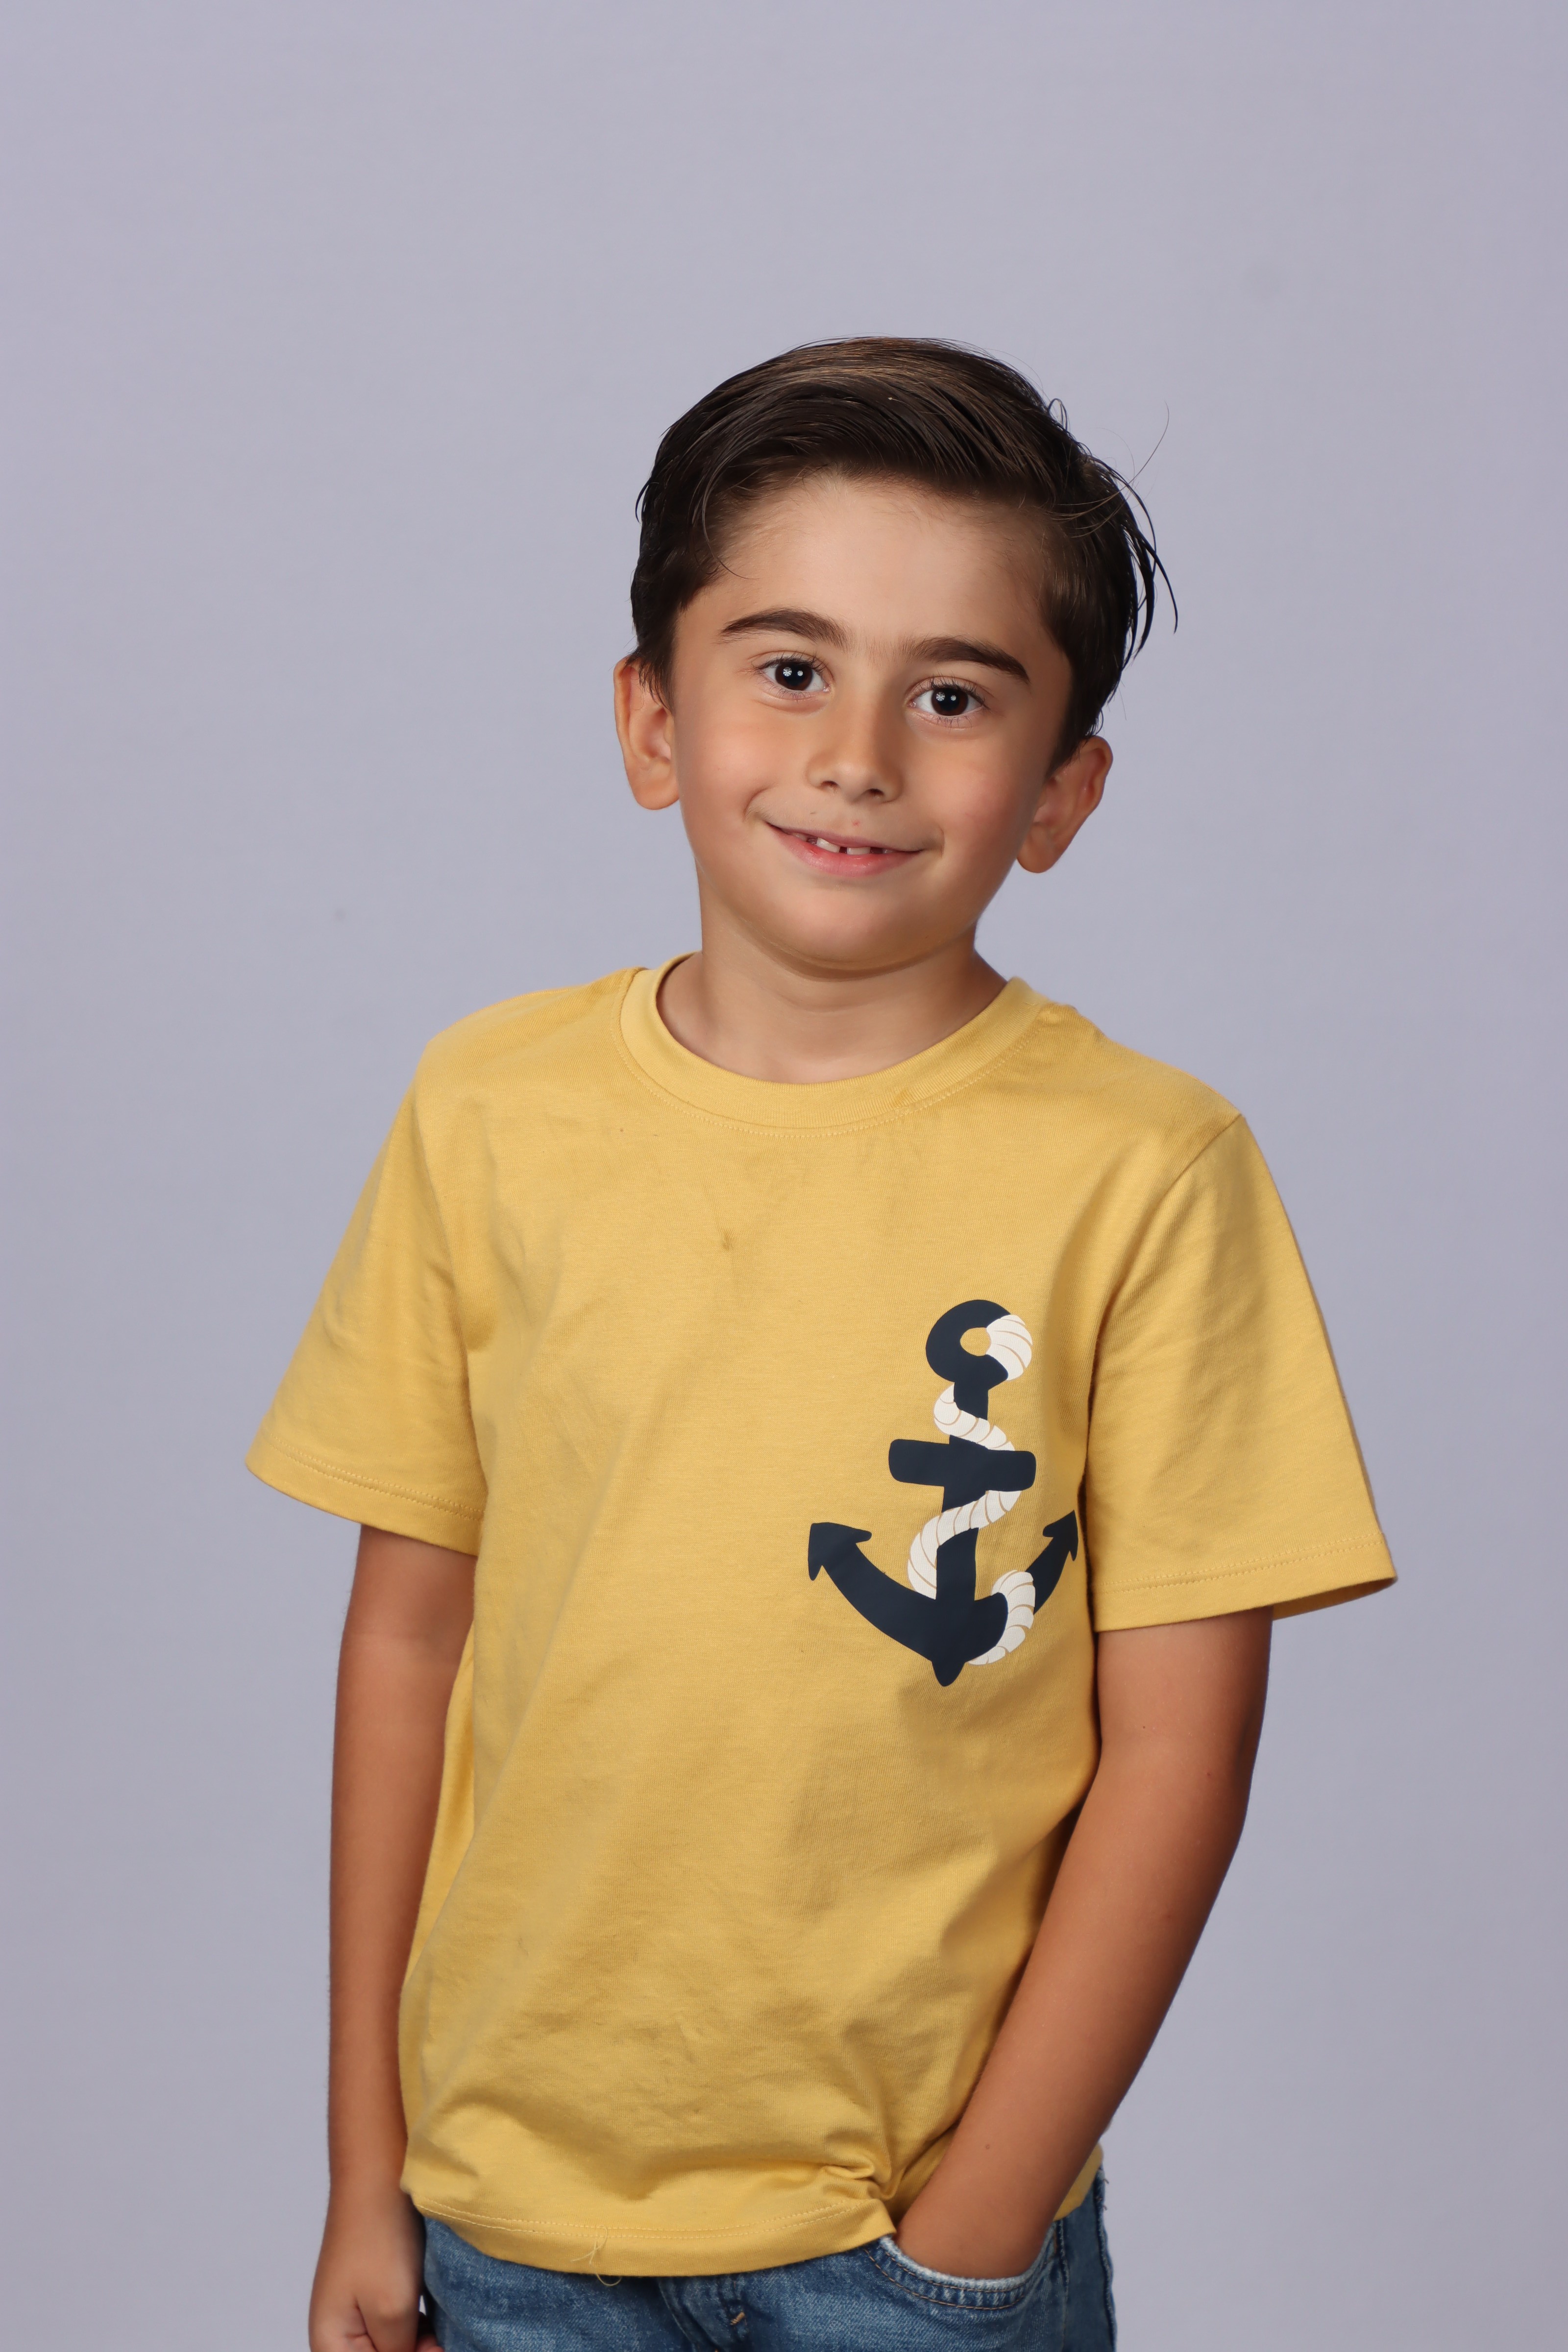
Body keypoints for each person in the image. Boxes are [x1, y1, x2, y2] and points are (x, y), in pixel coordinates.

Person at [250, 338, 1395, 2352]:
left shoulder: (1144, 1171)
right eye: (788, 668)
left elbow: (1178, 1749)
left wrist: (977, 2230)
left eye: (952, 695)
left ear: (1060, 793)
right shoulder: (486, 1110)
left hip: (913, 2236)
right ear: (650, 721)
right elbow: (409, 1646)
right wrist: (370, 2167)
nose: (858, 753)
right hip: (509, 2219)